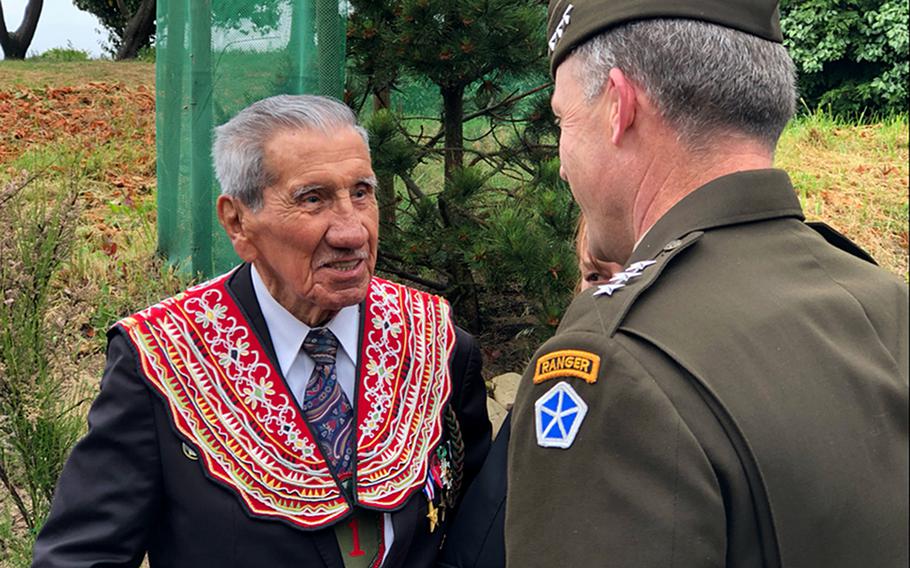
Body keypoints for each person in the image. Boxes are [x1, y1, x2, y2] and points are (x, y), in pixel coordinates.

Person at [507, 1, 909, 567]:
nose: (563, 163)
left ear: (618, 107)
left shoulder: (614, 365)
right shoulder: (886, 300)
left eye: (561, 121)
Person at [32, 95, 491, 568]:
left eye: (361, 192)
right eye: (312, 198)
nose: (352, 231)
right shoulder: (162, 361)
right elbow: (80, 557)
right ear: (237, 221)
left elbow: (479, 531)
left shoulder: (434, 342)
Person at [439, 216, 619, 568]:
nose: (611, 298)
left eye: (633, 275)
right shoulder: (559, 390)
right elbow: (481, 538)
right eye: (596, 277)